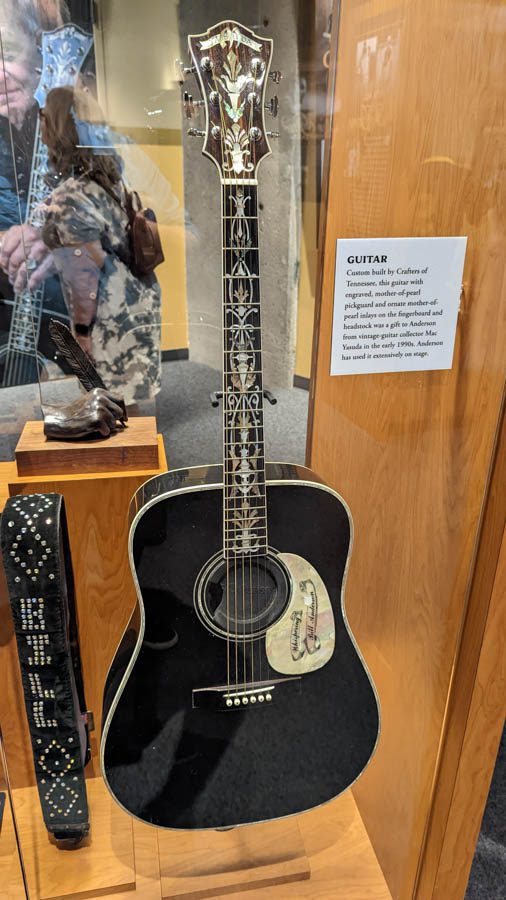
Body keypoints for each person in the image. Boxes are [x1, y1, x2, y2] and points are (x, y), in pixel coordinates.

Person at [2, 85, 162, 406]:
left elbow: (83, 279)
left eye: (46, 118)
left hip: (109, 315)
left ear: (58, 127)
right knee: (133, 397)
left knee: (110, 406)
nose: (41, 126)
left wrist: (82, 332)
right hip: (139, 299)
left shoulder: (71, 195)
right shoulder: (109, 179)